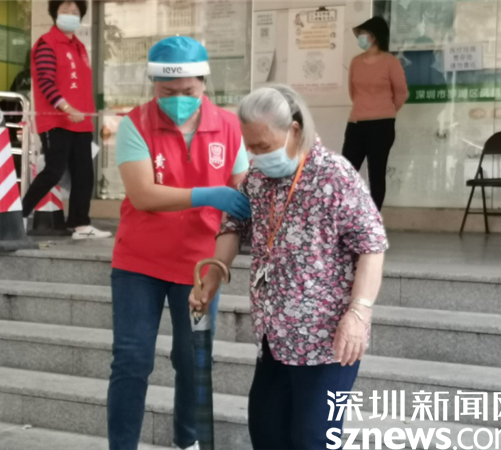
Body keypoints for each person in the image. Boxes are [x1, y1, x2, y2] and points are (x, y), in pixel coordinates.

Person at [191, 85, 388, 450]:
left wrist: (359, 313)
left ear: (294, 130)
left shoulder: (334, 176)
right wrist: (214, 274)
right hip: (275, 335)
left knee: (312, 439)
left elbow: (372, 246)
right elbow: (234, 225)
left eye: (263, 145)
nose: (255, 154)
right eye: (250, 146)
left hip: (326, 340)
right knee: (266, 432)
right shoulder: (257, 177)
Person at [108, 36, 250, 450]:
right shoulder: (135, 124)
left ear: (203, 82)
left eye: (188, 91)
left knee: (193, 361)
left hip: (200, 266)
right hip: (139, 263)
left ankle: (187, 441)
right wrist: (206, 194)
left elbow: (242, 194)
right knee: (132, 359)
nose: (178, 100)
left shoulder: (229, 127)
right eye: (167, 92)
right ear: (153, 84)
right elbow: (142, 194)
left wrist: (222, 259)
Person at [21, 1, 111, 239]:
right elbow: (45, 82)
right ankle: (18, 216)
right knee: (53, 171)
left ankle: (81, 225)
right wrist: (67, 108)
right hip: (56, 122)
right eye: (65, 11)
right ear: (54, 14)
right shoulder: (47, 44)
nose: (70, 16)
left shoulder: (80, 47)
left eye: (75, 12)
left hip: (81, 123)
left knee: (84, 174)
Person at [342, 16, 408, 210]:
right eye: (360, 33)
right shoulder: (355, 62)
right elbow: (353, 93)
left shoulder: (390, 62)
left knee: (376, 174)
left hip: (382, 125)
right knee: (346, 171)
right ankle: (347, 215)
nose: (361, 37)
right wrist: (366, 108)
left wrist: (385, 111)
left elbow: (401, 93)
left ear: (374, 36)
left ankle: (373, 218)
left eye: (364, 33)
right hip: (356, 124)